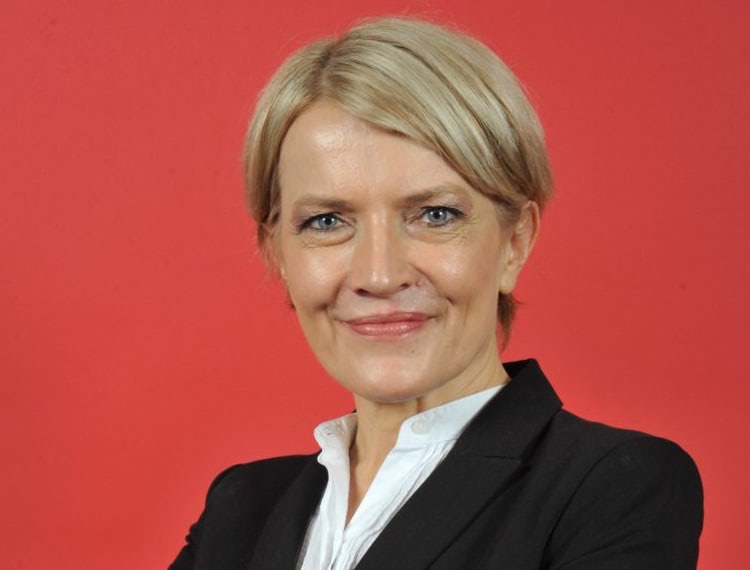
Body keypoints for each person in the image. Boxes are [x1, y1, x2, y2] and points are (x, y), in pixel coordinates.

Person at [170, 17, 702, 570]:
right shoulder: (242, 509)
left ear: (515, 242)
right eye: (327, 221)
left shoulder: (611, 487)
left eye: (435, 215)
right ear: (278, 252)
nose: (379, 274)